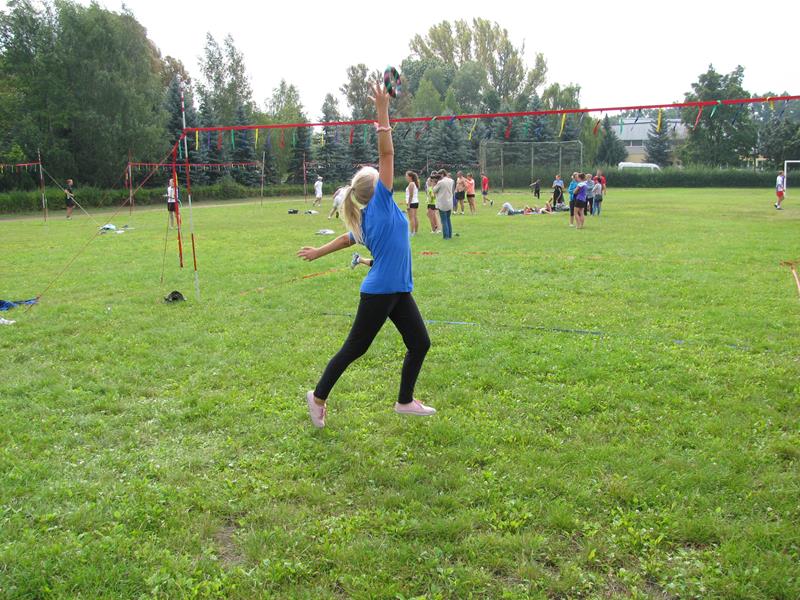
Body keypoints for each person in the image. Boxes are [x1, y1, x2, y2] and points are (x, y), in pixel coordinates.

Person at [296, 80, 435, 428]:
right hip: (380, 292)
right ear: (378, 187)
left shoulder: (369, 215)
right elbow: (387, 154)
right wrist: (382, 111)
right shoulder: (382, 203)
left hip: (396, 289)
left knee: (420, 342)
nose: (384, 171)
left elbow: (346, 240)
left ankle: (405, 401)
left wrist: (318, 251)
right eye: (380, 174)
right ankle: (317, 397)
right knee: (354, 348)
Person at [433, 169, 455, 239]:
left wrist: (434, 182)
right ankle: (450, 235)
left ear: (442, 174)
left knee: (444, 220)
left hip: (442, 203)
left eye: (439, 175)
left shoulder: (440, 182)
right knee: (448, 219)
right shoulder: (451, 181)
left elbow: (434, 190)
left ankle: (446, 236)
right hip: (449, 202)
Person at [405, 171, 420, 235]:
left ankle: (412, 232)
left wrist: (408, 205)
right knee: (415, 217)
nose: (406, 177)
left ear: (410, 177)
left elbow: (411, 195)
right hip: (415, 202)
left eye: (406, 176)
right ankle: (415, 231)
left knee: (412, 218)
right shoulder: (414, 183)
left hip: (412, 202)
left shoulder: (411, 184)